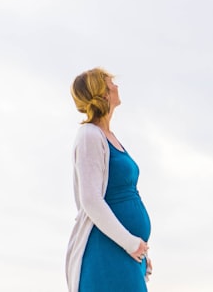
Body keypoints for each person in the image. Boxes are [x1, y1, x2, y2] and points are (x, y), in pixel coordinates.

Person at [65, 68, 152, 292]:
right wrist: (131, 243)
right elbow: (91, 200)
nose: (116, 85)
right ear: (102, 92)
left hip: (124, 252)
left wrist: (140, 251)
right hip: (106, 252)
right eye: (110, 82)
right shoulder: (89, 135)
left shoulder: (108, 136)